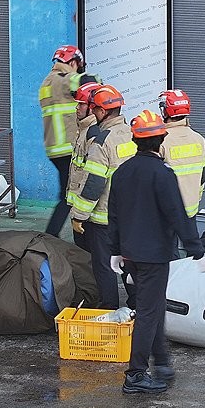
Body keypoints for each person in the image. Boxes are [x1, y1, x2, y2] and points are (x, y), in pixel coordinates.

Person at [107, 110, 205, 394]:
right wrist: (196, 249)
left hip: (130, 255)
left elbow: (113, 214)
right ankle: (135, 375)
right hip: (154, 257)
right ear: (161, 140)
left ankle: (161, 361)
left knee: (153, 308)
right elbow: (177, 214)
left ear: (136, 141)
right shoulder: (163, 174)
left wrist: (115, 249)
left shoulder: (122, 172)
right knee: (149, 313)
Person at [70, 85, 134, 308]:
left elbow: (94, 184)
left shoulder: (102, 141)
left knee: (104, 265)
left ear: (102, 111)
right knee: (128, 263)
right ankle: (135, 305)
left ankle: (109, 307)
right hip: (129, 214)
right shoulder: (131, 133)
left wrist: (79, 215)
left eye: (93, 108)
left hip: (103, 217)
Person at [39, 44, 96, 237]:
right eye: (77, 66)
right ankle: (55, 237)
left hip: (54, 147)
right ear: (72, 63)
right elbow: (90, 82)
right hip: (70, 147)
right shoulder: (65, 79)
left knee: (68, 194)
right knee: (74, 196)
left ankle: (57, 235)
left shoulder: (47, 81)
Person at [158, 89, 205, 218]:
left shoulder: (161, 141)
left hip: (166, 212)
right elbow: (202, 176)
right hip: (191, 209)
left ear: (165, 111)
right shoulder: (199, 139)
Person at [65, 81, 102, 250]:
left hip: (88, 210)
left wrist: (81, 214)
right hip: (81, 206)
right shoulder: (84, 129)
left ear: (92, 107)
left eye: (81, 104)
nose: (77, 108)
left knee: (88, 253)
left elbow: (93, 178)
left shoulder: (93, 133)